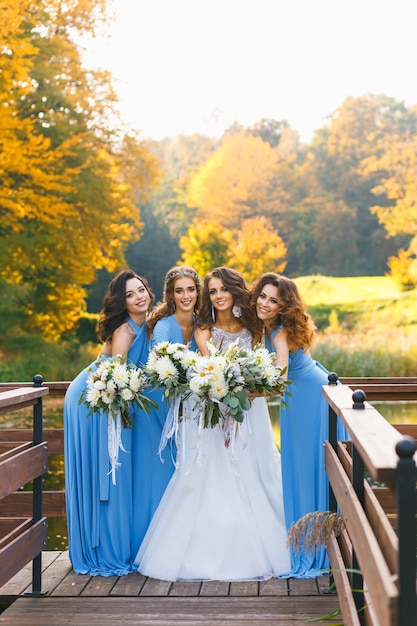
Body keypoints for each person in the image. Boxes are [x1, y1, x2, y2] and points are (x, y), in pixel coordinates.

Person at [134, 267, 291, 581]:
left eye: (224, 290)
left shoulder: (253, 327)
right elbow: (217, 370)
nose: (219, 296)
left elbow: (268, 363)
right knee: (211, 476)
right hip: (213, 407)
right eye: (213, 291)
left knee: (255, 472)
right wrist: (227, 393)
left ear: (234, 291)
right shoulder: (203, 330)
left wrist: (253, 387)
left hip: (249, 410)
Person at [252, 272, 348, 578]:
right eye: (262, 296)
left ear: (283, 306)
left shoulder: (279, 333)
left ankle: (315, 546)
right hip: (301, 397)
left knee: (307, 469)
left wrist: (245, 392)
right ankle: (314, 537)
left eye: (273, 300)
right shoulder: (267, 328)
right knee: (302, 467)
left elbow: (278, 381)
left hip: (308, 399)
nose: (265, 303)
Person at [64, 269, 154, 576]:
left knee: (115, 471)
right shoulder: (124, 331)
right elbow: (118, 379)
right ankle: (104, 549)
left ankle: (114, 541)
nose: (138, 296)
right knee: (108, 471)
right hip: (94, 398)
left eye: (140, 289)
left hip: (112, 397)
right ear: (122, 302)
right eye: (130, 294)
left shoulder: (150, 324)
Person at [130, 265, 202, 556]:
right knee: (163, 469)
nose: (186, 296)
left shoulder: (202, 323)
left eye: (191, 289)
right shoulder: (163, 325)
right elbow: (160, 365)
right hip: (159, 404)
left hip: (190, 406)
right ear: (171, 295)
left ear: (198, 291)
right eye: (179, 290)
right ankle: (154, 544)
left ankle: (189, 540)